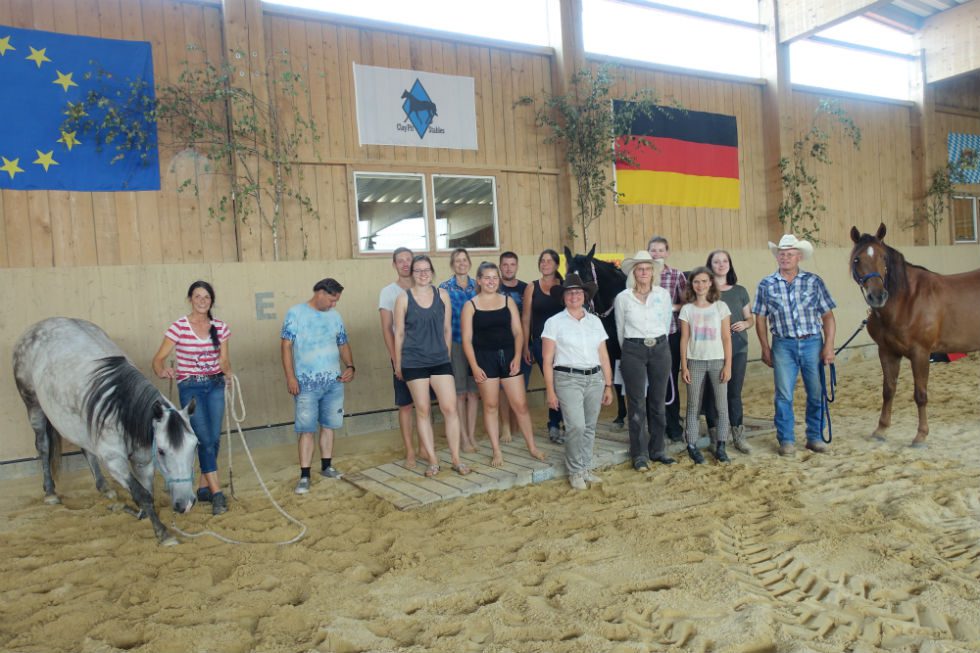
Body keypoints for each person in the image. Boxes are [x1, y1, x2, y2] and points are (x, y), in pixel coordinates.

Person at [152, 280, 231, 515]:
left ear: (211, 301)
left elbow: (224, 359)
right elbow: (158, 359)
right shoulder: (179, 327)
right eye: (197, 297)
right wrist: (161, 370)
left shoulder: (221, 328)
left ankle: (203, 487)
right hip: (191, 387)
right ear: (190, 299)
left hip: (216, 384)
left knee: (214, 438)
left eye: (206, 297)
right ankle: (216, 493)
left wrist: (228, 374)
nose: (202, 301)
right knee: (204, 440)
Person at [753, 234, 836, 456]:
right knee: (783, 395)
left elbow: (828, 316)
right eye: (782, 254)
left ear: (799, 257)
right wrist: (765, 347)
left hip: (812, 342)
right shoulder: (766, 284)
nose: (785, 258)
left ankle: (815, 437)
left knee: (816, 392)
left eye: (790, 254)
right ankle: (786, 439)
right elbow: (760, 317)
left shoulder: (814, 281)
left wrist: (828, 346)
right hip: (783, 344)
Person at [461, 262, 546, 466]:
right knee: (490, 406)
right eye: (487, 277)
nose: (491, 281)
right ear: (479, 280)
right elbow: (466, 339)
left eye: (494, 277)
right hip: (484, 358)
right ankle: (496, 451)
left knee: (521, 405)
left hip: (508, 356)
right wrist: (474, 366)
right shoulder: (470, 305)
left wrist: (517, 357)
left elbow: (518, 332)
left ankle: (532, 446)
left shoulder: (508, 301)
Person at [394, 255, 471, 477]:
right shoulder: (403, 299)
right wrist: (399, 363)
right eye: (417, 270)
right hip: (414, 361)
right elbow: (399, 332)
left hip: (439, 360)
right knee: (424, 410)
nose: (422, 273)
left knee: (449, 408)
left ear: (432, 271)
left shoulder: (442, 295)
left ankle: (456, 458)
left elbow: (447, 329)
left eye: (426, 269)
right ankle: (433, 461)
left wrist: (445, 355)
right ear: (412, 274)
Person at [281, 278, 356, 495]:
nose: (334, 304)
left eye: (337, 301)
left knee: (329, 425)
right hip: (306, 382)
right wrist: (290, 377)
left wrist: (350, 365)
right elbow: (286, 346)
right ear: (320, 293)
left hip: (333, 381)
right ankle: (304, 475)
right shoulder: (296, 313)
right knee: (306, 429)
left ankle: (326, 466)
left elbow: (342, 342)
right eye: (332, 300)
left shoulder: (335, 316)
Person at [542, 273, 615, 490]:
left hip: (595, 378)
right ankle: (574, 470)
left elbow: (603, 355)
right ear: (563, 297)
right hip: (567, 378)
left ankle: (584, 467)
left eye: (578, 292)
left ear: (584, 296)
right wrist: (550, 390)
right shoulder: (554, 323)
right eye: (569, 293)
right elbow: (547, 360)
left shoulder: (594, 322)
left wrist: (608, 384)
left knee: (590, 426)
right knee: (576, 426)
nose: (574, 296)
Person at [614, 252, 675, 473]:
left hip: (659, 347)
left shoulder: (663, 295)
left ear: (653, 272)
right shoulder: (623, 298)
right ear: (633, 272)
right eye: (639, 268)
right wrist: (632, 350)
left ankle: (658, 449)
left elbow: (667, 322)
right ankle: (638, 454)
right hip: (633, 349)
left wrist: (657, 344)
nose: (644, 272)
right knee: (637, 404)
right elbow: (620, 329)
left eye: (647, 268)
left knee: (658, 403)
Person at [701, 250, 754, 454]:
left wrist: (745, 323)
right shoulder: (704, 290)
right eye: (716, 261)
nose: (721, 264)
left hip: (738, 348)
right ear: (710, 265)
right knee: (713, 393)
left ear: (730, 264)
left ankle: (738, 435)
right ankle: (716, 436)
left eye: (725, 261)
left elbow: (751, 318)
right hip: (713, 350)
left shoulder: (740, 291)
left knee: (734, 392)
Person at [679, 267, 733, 464]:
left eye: (703, 281)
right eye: (696, 282)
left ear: (710, 282)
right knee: (693, 405)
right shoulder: (687, 309)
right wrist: (684, 366)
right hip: (695, 361)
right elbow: (684, 339)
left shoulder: (720, 307)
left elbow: (726, 338)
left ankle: (721, 444)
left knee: (721, 405)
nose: (700, 285)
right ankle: (692, 444)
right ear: (692, 285)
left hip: (717, 360)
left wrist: (728, 365)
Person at [379, 247, 419, 467]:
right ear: (394, 264)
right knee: (405, 405)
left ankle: (425, 447)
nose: (405, 264)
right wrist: (395, 359)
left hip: (426, 353)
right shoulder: (388, 292)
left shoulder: (425, 288)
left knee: (424, 404)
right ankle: (410, 451)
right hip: (403, 354)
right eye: (400, 261)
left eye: (408, 260)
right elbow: (387, 328)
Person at [522, 249, 565, 444]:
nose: (545, 264)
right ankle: (554, 423)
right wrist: (526, 345)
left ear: (556, 265)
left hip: (564, 343)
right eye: (542, 261)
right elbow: (525, 319)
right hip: (540, 343)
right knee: (553, 381)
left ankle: (561, 421)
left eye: (549, 261)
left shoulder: (564, 286)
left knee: (564, 381)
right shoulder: (532, 287)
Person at [439, 248, 480, 453]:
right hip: (455, 343)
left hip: (476, 344)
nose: (461, 263)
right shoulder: (444, 288)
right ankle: (463, 437)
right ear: (452, 264)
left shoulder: (478, 286)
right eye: (457, 260)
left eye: (464, 260)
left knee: (474, 393)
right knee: (460, 393)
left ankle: (472, 434)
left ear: (469, 263)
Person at [647, 236, 687, 442]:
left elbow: (686, 303)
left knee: (669, 379)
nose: (657, 254)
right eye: (653, 251)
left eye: (660, 250)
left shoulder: (676, 275)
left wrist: (669, 308)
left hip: (670, 334)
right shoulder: (642, 275)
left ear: (667, 252)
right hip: (647, 337)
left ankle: (673, 425)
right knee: (651, 382)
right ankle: (655, 427)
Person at [497, 251, 532, 441]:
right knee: (503, 390)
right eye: (505, 264)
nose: (509, 268)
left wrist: (527, 346)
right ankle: (505, 427)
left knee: (520, 388)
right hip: (500, 345)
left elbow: (528, 319)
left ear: (517, 266)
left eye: (512, 264)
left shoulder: (526, 288)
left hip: (522, 344)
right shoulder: (494, 286)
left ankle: (517, 425)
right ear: (500, 266)